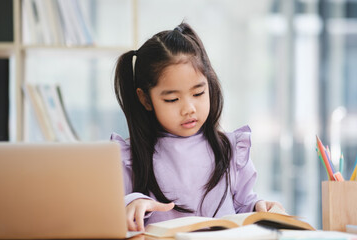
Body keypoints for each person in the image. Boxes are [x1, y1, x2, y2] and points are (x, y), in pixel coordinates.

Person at [111, 22, 284, 232]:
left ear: (209, 86)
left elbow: (243, 207)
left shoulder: (230, 149)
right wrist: (131, 202)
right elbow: (109, 214)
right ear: (146, 100)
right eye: (173, 99)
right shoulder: (131, 159)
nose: (189, 109)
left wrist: (261, 207)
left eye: (198, 93)